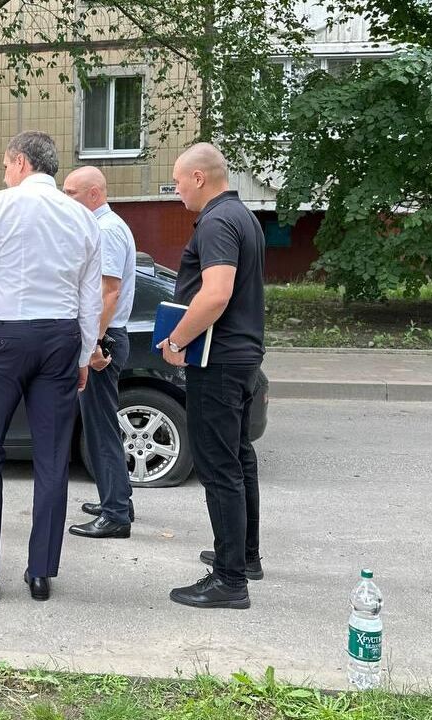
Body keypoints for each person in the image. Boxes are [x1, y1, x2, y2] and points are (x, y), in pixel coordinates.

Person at [0, 131, 102, 603]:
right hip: (59, 337)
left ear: (20, 163)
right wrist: (83, 354)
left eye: (5, 163)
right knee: (53, 457)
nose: (3, 172)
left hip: (4, 336)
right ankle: (41, 573)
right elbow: (90, 294)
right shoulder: (82, 217)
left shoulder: (0, 205)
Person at [157, 142, 265, 610]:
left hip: (217, 361)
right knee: (239, 459)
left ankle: (228, 581)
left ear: (199, 178)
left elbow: (215, 295)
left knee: (220, 468)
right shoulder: (243, 216)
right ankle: (244, 556)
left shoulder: (218, 222)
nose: (177, 191)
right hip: (241, 358)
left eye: (179, 182)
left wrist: (177, 341)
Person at [62, 166, 137, 539]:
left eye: (71, 192)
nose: (65, 198)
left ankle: (116, 515)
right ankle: (119, 496)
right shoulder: (106, 226)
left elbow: (109, 293)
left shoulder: (105, 231)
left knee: (100, 430)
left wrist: (92, 344)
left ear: (94, 194)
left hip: (104, 340)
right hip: (108, 336)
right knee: (103, 424)